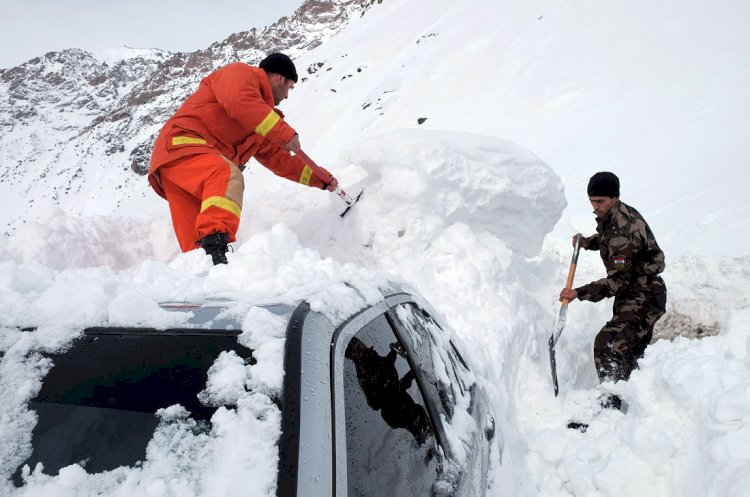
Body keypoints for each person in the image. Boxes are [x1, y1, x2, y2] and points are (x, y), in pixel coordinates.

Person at [148, 53, 339, 264]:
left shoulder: (259, 121)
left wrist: (320, 178)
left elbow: (280, 160)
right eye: (290, 88)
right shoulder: (240, 74)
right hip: (185, 145)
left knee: (197, 246)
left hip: (176, 166)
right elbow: (239, 102)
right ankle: (217, 251)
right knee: (226, 174)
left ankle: (206, 275)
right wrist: (285, 133)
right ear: (279, 78)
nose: (287, 96)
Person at [559, 172, 667, 410]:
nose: (594, 207)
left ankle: (610, 405)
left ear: (615, 198)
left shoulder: (621, 229)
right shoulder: (616, 216)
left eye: (600, 202)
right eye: (591, 201)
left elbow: (617, 281)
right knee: (629, 353)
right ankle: (629, 408)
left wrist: (579, 292)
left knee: (607, 343)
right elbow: (608, 238)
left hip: (643, 295)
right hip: (636, 291)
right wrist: (588, 242)